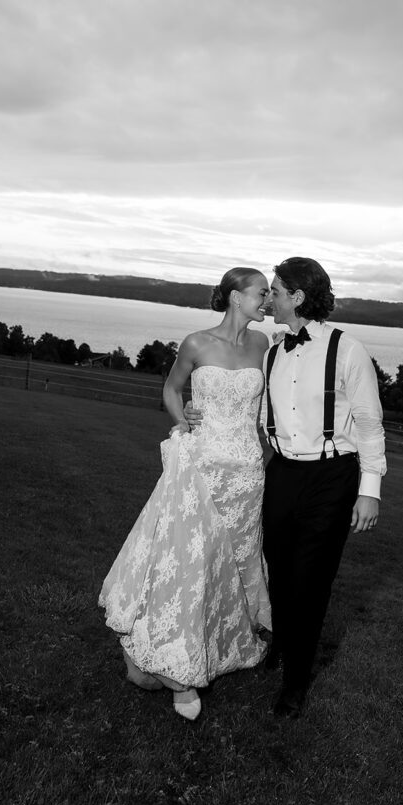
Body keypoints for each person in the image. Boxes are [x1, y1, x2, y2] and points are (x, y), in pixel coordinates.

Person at [186, 257, 386, 718]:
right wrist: (200, 413)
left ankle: (296, 681)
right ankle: (279, 645)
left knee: (310, 581)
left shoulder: (347, 350)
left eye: (275, 290)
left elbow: (371, 424)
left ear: (297, 297)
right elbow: (252, 412)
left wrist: (369, 489)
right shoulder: (271, 351)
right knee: (275, 566)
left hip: (332, 477)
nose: (269, 297)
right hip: (280, 473)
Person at [99, 267, 272, 721]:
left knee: (233, 559)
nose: (268, 299)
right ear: (236, 297)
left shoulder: (262, 345)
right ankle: (178, 669)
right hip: (203, 467)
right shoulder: (196, 342)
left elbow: (260, 412)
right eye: (261, 292)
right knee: (192, 560)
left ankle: (220, 644)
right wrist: (183, 418)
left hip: (247, 475)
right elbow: (172, 390)